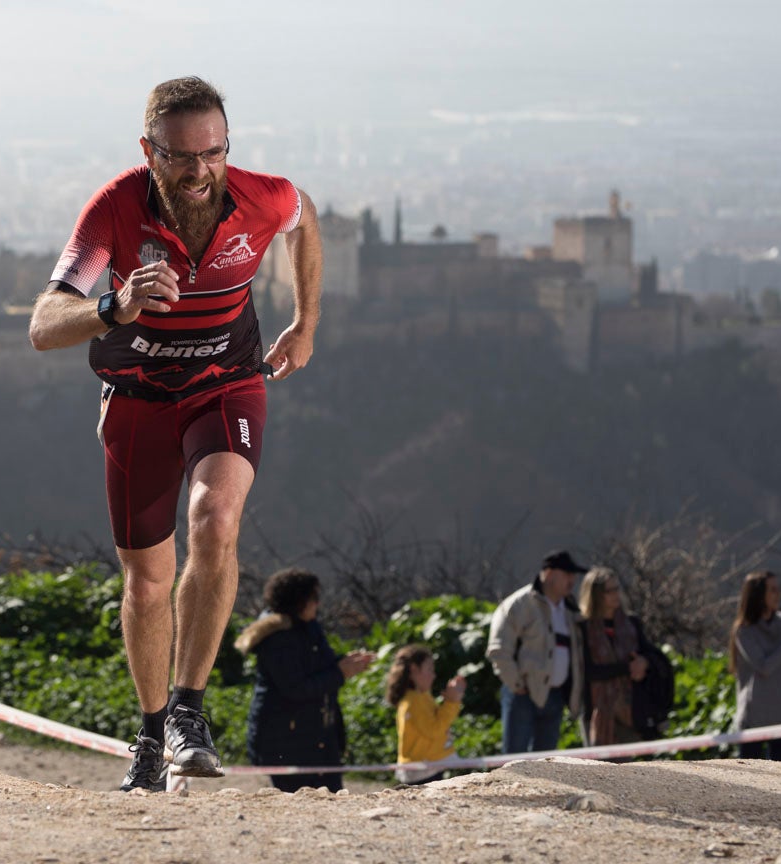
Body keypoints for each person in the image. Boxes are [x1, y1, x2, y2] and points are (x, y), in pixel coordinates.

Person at [28, 76, 323, 791]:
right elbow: (43, 325)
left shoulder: (261, 197)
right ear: (150, 152)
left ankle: (189, 709)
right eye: (181, 157)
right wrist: (115, 305)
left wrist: (306, 323)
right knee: (148, 578)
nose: (199, 171)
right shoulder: (114, 210)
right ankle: (151, 732)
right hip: (138, 399)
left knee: (215, 518)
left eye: (213, 153)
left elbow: (306, 219)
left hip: (226, 383)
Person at [234, 568, 372, 792]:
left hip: (317, 738)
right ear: (299, 602)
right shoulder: (277, 637)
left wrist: (346, 663)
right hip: (286, 742)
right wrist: (340, 673)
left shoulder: (309, 626)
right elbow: (295, 688)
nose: (318, 604)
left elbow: (319, 666)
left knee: (331, 798)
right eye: (314, 598)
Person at [486, 549, 586, 754]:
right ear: (548, 573)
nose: (572, 579)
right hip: (523, 695)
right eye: (567, 573)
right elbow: (498, 649)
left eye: (573, 574)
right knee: (516, 759)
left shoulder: (570, 610)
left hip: (556, 695)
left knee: (546, 762)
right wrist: (516, 684)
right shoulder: (519, 604)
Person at [576, 567, 660, 747]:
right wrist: (626, 668)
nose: (615, 595)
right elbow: (587, 671)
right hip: (596, 712)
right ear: (596, 595)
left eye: (617, 589)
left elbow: (650, 654)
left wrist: (643, 662)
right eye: (609, 591)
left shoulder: (631, 624)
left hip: (630, 710)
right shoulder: (583, 628)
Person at [729, 570, 781, 761]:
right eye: (772, 590)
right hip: (754, 717)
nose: (778, 594)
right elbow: (764, 667)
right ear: (758, 595)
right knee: (750, 776)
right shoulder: (744, 631)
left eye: (778, 589)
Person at [386, 644, 465, 784]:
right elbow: (434, 730)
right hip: (421, 771)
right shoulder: (413, 702)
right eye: (430, 669)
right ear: (414, 670)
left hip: (428, 766)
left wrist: (451, 700)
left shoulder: (421, 696)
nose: (434, 675)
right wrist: (451, 703)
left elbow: (436, 722)